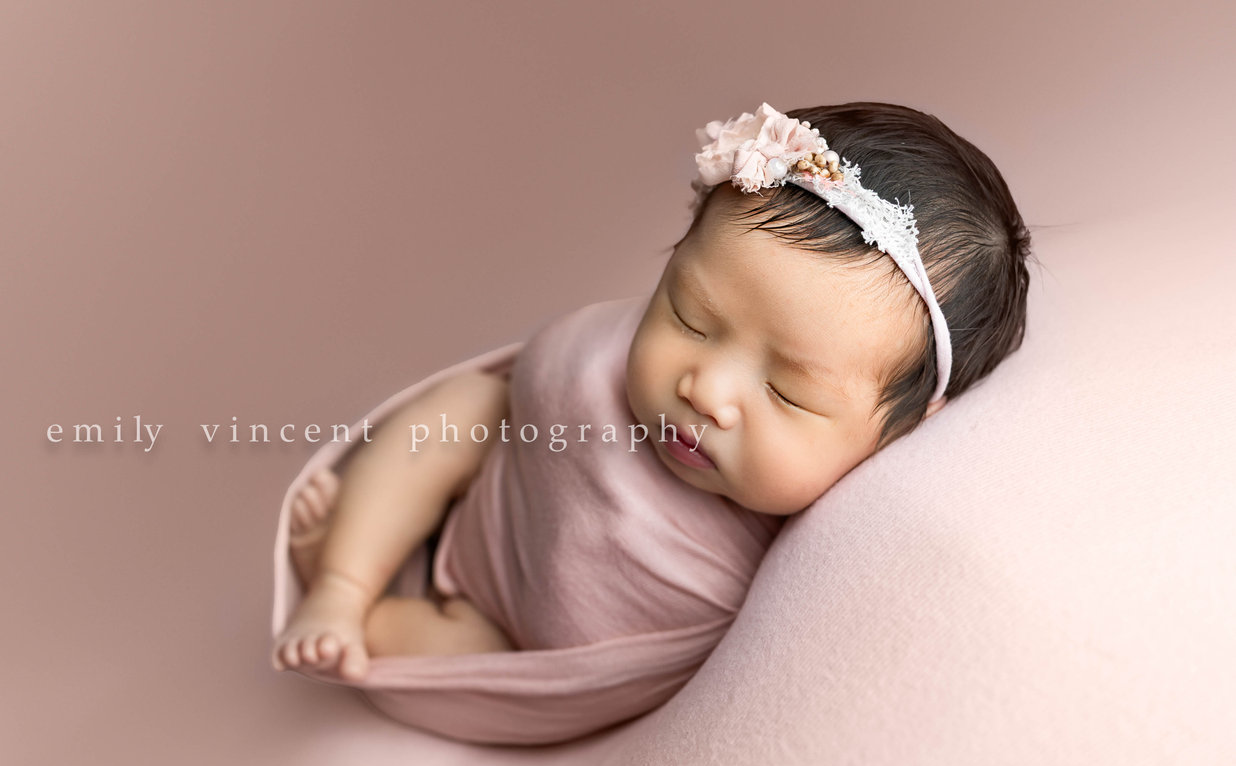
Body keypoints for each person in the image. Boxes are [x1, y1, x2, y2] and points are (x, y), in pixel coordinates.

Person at [272, 101, 1031, 685]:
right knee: (464, 409)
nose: (705, 390)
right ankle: (345, 574)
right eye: (691, 318)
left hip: (506, 626)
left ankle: (362, 615)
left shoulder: (765, 577)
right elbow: (527, 391)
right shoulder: (601, 371)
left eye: (787, 393)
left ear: (892, 436)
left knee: (467, 649)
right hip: (499, 483)